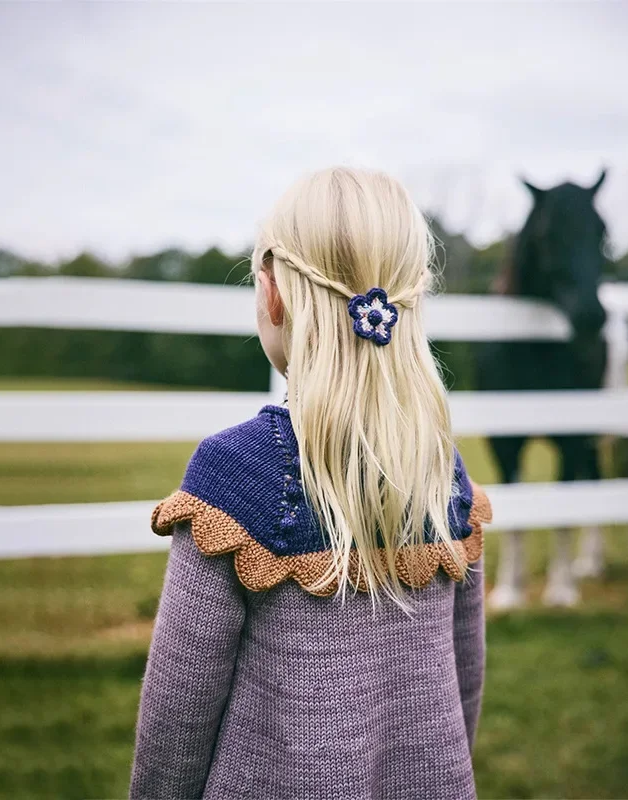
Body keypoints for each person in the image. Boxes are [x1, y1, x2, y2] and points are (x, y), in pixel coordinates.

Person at [129, 166, 492, 800]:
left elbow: (177, 715)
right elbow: (466, 682)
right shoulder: (442, 470)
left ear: (271, 293)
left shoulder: (239, 473)